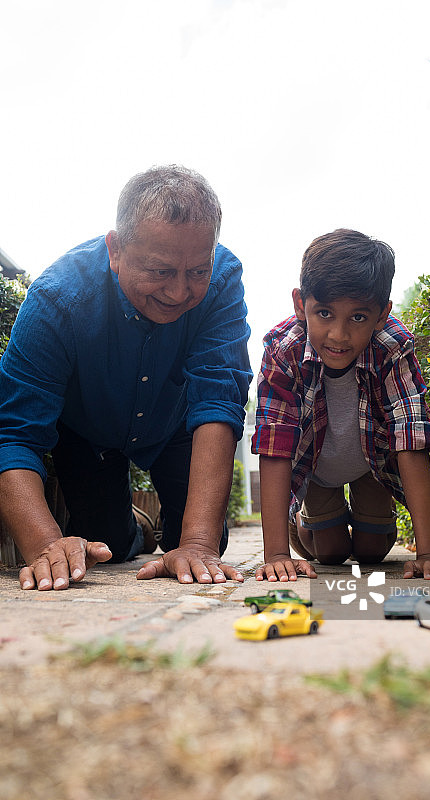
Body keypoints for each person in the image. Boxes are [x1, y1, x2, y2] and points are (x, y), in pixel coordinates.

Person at [0, 165, 252, 590]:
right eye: (160, 271)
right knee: (109, 543)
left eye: (197, 271)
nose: (179, 292)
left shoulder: (224, 278)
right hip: (87, 432)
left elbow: (219, 398)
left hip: (176, 424)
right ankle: (137, 526)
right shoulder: (56, 300)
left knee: (202, 547)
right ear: (115, 250)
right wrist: (45, 544)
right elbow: (15, 435)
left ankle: (174, 533)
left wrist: (197, 543)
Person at [251, 229, 430, 582]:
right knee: (332, 552)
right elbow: (275, 443)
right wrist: (276, 554)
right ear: (300, 305)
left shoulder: (392, 347)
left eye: (358, 318)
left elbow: (410, 435)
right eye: (324, 313)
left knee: (373, 552)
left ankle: (367, 514)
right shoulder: (284, 350)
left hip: (370, 466)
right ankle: (304, 521)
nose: (339, 335)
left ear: (382, 314)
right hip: (316, 467)